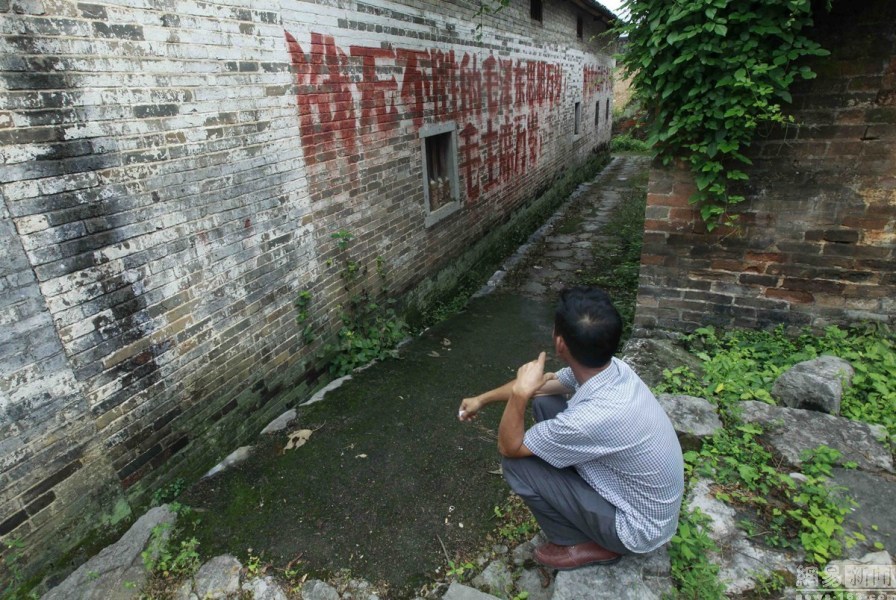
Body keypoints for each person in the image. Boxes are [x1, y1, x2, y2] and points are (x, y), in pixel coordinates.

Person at [458, 287, 684, 570]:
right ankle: (577, 504)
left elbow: (509, 446)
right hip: (642, 501)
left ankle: (580, 541)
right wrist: (482, 399)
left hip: (636, 529)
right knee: (547, 400)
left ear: (560, 343)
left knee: (517, 465)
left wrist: (519, 395)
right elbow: (544, 388)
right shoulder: (614, 369)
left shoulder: (590, 418)